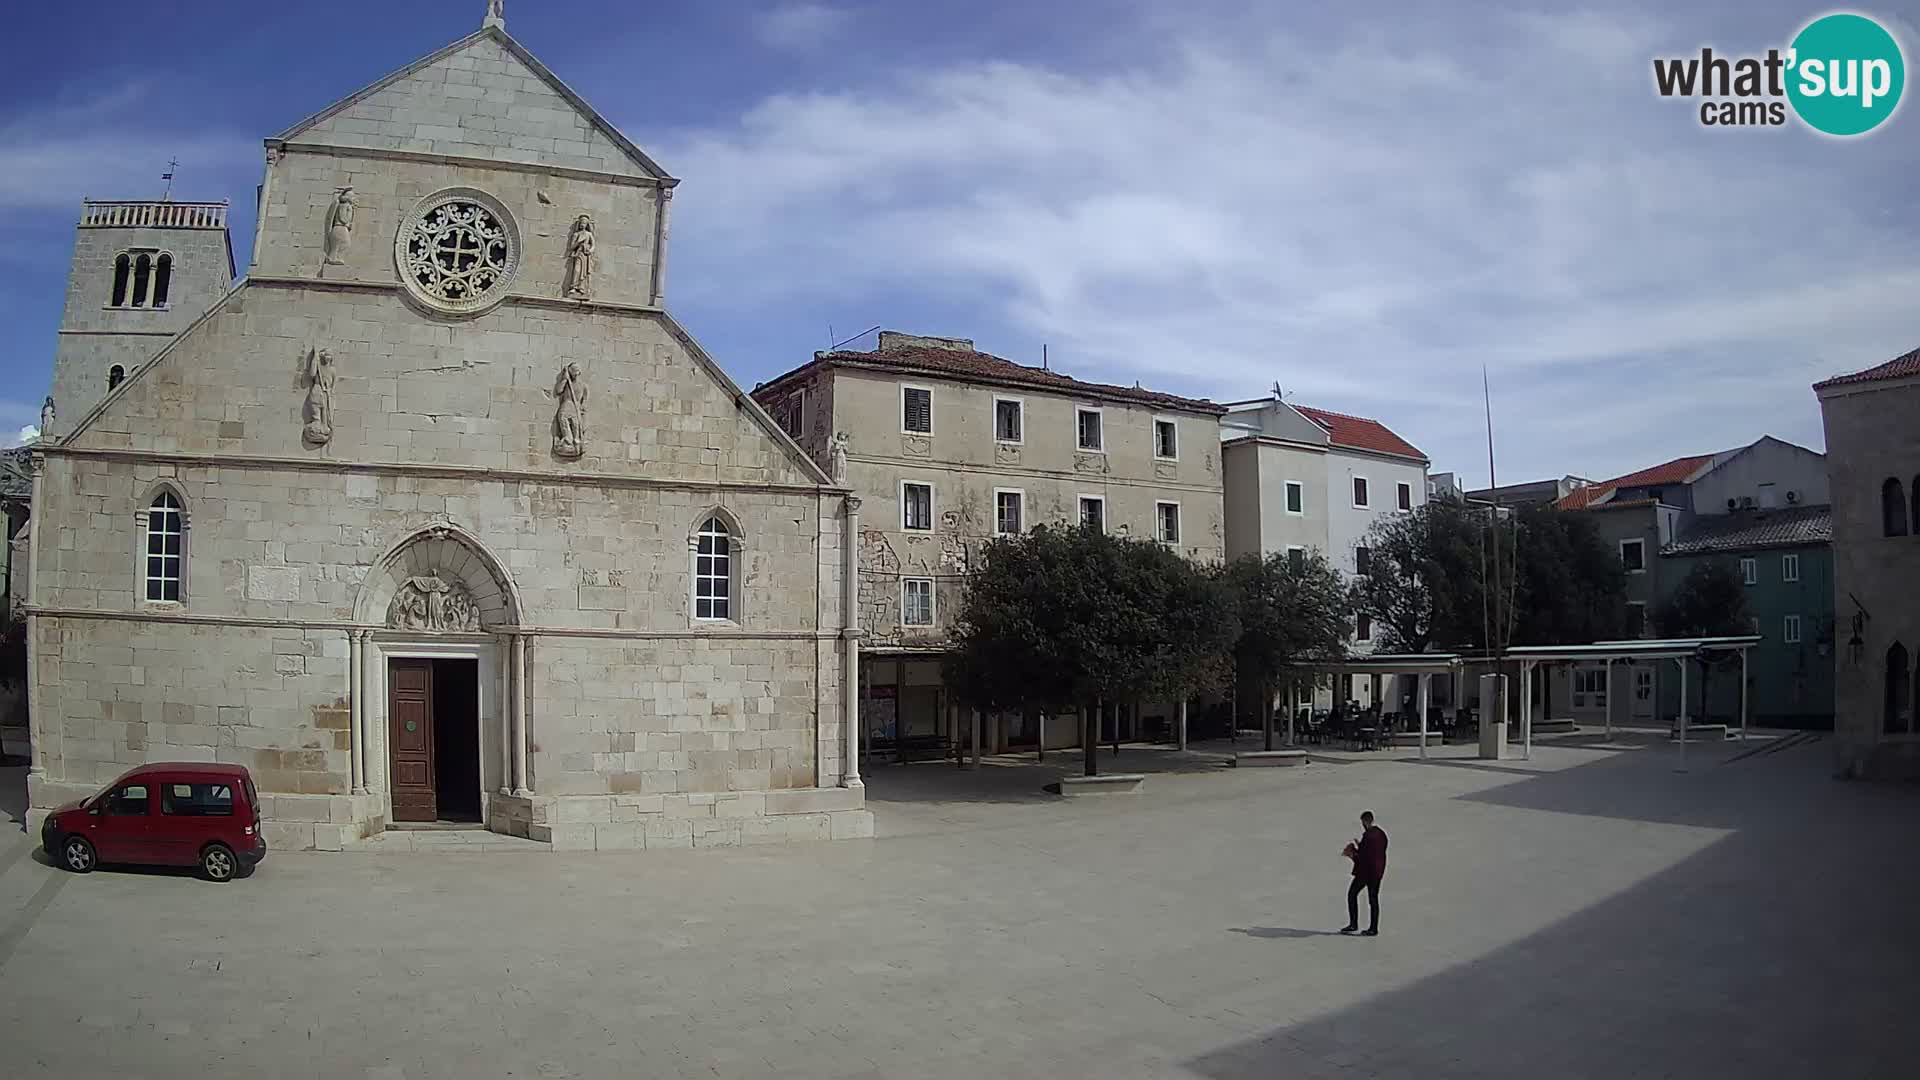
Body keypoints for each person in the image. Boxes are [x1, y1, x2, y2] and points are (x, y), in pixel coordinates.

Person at [1340, 810, 1388, 936]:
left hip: (1366, 873)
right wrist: (1360, 846)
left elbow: (1363, 858)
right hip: (1378, 872)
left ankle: (1353, 924)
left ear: (1365, 821)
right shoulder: (1381, 834)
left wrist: (1351, 853)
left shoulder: (1368, 836)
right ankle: (1373, 928)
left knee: (1352, 894)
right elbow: (1375, 852)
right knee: (1373, 899)